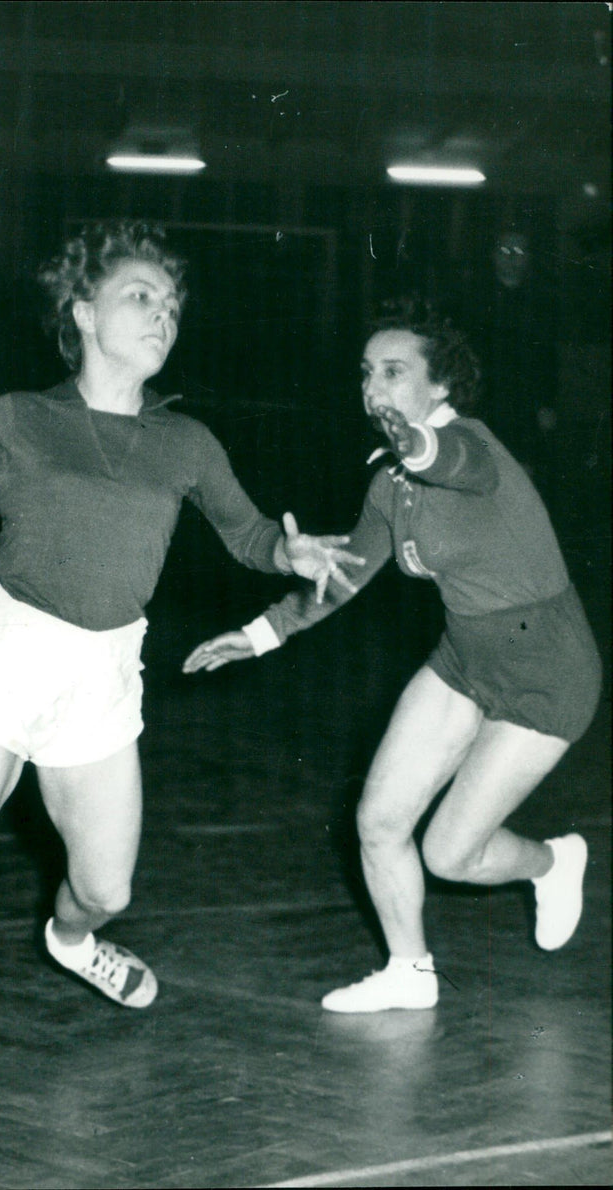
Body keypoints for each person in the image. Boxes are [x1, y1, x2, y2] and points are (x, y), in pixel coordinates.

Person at [0, 220, 361, 1122]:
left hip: (105, 669)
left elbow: (250, 534)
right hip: (10, 653)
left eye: (172, 304)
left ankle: (72, 941)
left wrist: (289, 555)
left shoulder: (186, 440)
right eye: (141, 296)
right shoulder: (20, 419)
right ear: (82, 311)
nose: (162, 315)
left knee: (107, 889)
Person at [184, 297, 602, 1014]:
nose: (374, 388)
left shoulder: (474, 449)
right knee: (378, 822)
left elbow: (452, 458)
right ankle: (410, 971)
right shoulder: (390, 485)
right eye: (367, 373)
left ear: (439, 388)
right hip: (465, 660)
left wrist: (420, 444)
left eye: (395, 371)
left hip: (546, 672)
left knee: (450, 855)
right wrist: (259, 634)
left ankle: (554, 861)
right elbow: (342, 577)